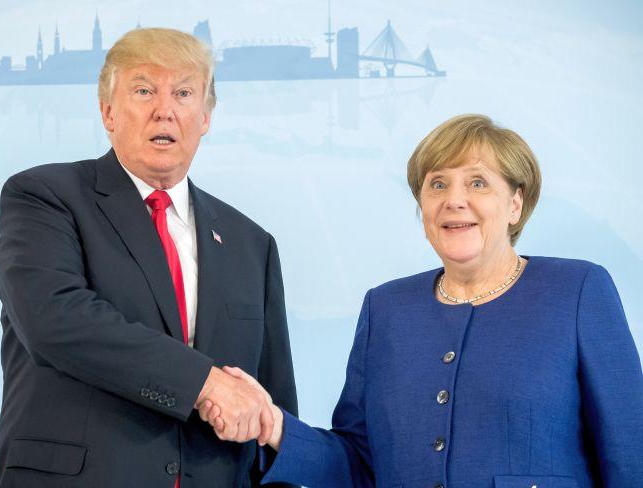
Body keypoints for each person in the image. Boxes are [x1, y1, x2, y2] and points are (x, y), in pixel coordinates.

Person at [201, 114, 643, 487]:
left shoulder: (578, 290)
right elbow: (358, 462)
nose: (454, 200)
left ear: (515, 203)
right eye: (436, 185)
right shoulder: (386, 309)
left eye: (477, 182)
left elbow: (629, 453)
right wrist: (273, 425)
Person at [0, 28, 297, 488]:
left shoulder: (251, 242)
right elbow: (55, 319)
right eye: (144, 90)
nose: (164, 110)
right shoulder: (45, 197)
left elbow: (271, 406)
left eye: (184, 93)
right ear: (108, 111)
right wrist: (206, 383)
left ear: (206, 116)